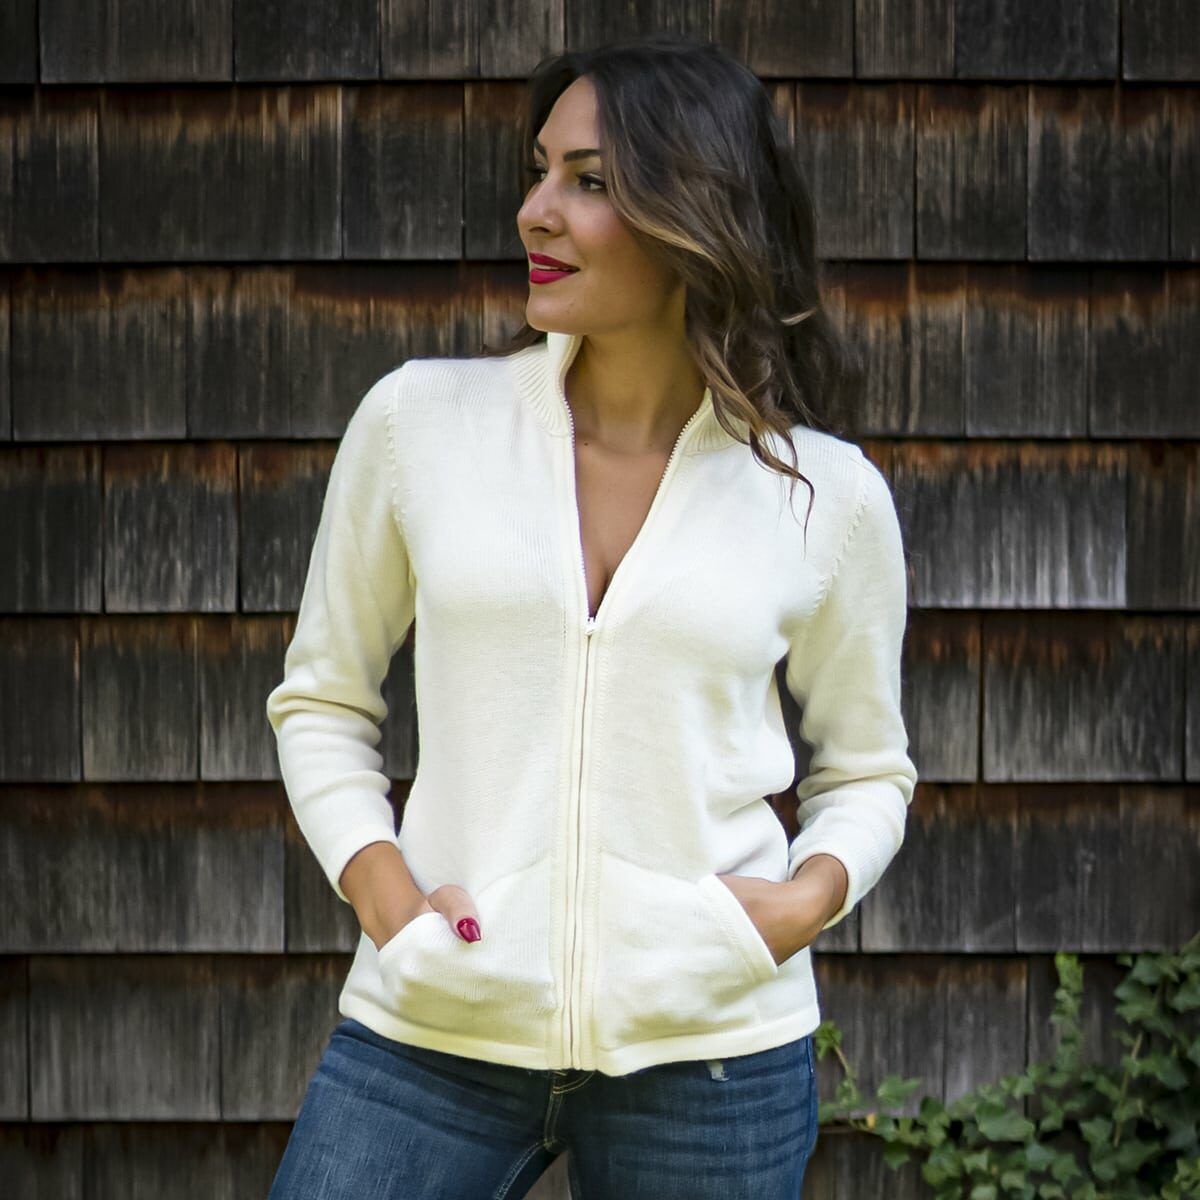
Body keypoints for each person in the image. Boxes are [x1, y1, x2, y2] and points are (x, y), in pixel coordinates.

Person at [264, 32, 918, 1200]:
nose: (535, 211)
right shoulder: (420, 425)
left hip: (712, 1053)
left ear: (697, 215)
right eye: (538, 171)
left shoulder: (826, 495)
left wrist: (797, 904)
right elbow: (321, 699)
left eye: (590, 181)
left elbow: (868, 770)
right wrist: (387, 897)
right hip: (437, 1024)